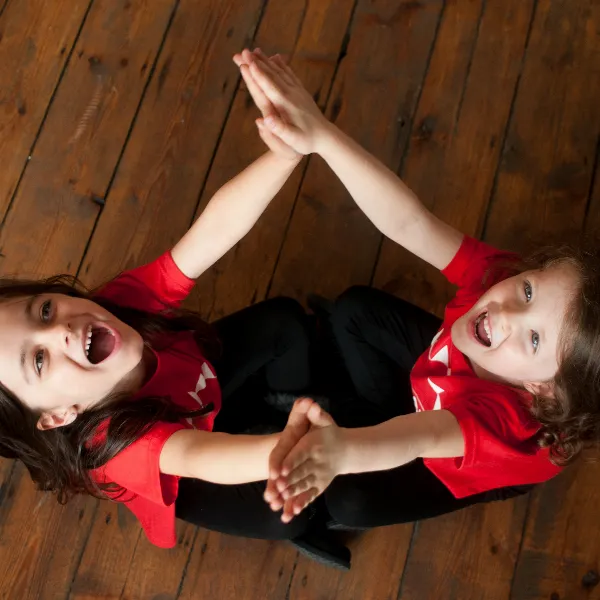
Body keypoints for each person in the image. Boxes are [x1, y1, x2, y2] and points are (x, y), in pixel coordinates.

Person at [0, 50, 351, 570]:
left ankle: (283, 399)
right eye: (39, 361)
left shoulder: (113, 308)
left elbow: (207, 237)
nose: (62, 332)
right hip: (192, 471)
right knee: (293, 509)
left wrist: (284, 155)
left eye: (45, 311)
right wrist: (282, 449)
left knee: (284, 323)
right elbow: (198, 457)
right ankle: (294, 476)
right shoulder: (115, 444)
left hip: (199, 387)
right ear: (58, 416)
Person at [234, 49, 600, 530]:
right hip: (434, 394)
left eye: (535, 340)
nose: (509, 310)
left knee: (348, 502)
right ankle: (358, 413)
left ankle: (352, 430)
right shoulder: (497, 280)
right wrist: (322, 134)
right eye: (529, 291)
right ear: (535, 269)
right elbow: (410, 222)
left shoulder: (505, 421)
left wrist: (342, 449)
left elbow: (423, 436)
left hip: (454, 453)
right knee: (353, 312)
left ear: (543, 391)